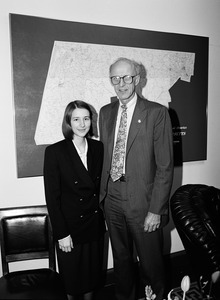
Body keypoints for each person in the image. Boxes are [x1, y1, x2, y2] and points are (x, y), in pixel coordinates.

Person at [99, 58, 174, 300]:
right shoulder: (105, 112)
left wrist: (156, 210)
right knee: (121, 261)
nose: (121, 84)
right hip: (112, 199)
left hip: (143, 202)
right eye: (115, 78)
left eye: (127, 77)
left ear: (137, 79)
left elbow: (165, 166)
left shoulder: (156, 113)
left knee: (151, 264)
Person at [44, 100, 106, 300]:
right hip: (70, 229)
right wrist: (62, 234)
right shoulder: (55, 152)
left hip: (93, 225)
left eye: (86, 118)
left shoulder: (98, 147)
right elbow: (52, 198)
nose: (82, 124)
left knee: (91, 278)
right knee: (72, 282)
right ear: (68, 122)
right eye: (76, 119)